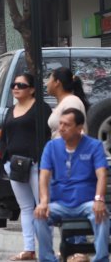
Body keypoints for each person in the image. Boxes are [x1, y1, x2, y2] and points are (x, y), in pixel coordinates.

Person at [33, 108, 108, 262]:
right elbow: (44, 175)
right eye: (60, 123)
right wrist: (44, 201)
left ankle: (101, 259)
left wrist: (99, 199)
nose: (61, 128)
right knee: (39, 216)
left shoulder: (94, 146)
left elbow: (101, 174)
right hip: (60, 204)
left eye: (66, 125)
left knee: (100, 214)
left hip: (87, 203)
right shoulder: (52, 147)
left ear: (79, 128)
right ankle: (47, 259)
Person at [1, 73, 47, 261]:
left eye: (21, 85)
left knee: (42, 206)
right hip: (15, 165)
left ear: (32, 89)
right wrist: (5, 162)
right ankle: (29, 248)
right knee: (26, 207)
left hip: (37, 165)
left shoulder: (41, 109)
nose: (16, 88)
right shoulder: (11, 110)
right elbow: (4, 137)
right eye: (14, 84)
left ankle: (46, 248)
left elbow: (47, 135)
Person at [47, 67, 88, 139]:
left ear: (57, 82)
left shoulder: (71, 102)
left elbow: (76, 133)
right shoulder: (65, 102)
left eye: (49, 79)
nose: (46, 84)